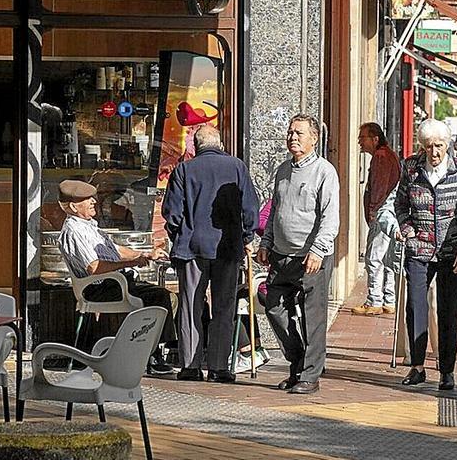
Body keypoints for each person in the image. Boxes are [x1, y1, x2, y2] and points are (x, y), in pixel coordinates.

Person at [162, 125, 259, 383]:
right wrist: (247, 237)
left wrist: (178, 235)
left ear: (196, 145)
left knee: (190, 305)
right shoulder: (237, 167)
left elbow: (172, 212)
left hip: (192, 247)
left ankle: (191, 366)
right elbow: (250, 208)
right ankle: (218, 367)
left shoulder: (184, 169)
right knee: (224, 307)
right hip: (227, 247)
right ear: (220, 143)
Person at [57, 179, 177, 376]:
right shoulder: (74, 230)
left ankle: (150, 350)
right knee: (159, 298)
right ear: (72, 206)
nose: (94, 201)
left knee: (168, 297)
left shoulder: (89, 226)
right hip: (99, 287)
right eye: (87, 199)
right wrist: (132, 263)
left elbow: (115, 250)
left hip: (112, 282)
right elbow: (94, 267)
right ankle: (152, 356)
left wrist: (143, 255)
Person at [258, 114, 340, 395]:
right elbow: (275, 212)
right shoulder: (282, 171)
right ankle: (298, 362)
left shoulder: (324, 171)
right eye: (290, 132)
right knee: (274, 306)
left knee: (312, 317)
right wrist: (266, 243)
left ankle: (310, 375)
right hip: (281, 255)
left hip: (311, 258)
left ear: (314, 139)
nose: (293, 137)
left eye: (299, 133)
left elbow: (331, 217)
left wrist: (318, 249)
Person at [395, 118, 457, 391]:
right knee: (416, 307)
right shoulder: (411, 167)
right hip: (419, 248)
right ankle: (417, 366)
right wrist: (407, 230)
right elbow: (401, 205)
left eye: (439, 146)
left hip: (451, 250)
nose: (434, 152)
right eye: (429, 146)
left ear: (448, 144)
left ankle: (447, 370)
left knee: (448, 311)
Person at [352, 122, 402, 316]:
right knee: (388, 258)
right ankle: (389, 300)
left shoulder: (381, 157)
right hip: (389, 213)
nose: (359, 141)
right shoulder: (388, 155)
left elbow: (379, 187)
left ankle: (374, 300)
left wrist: (373, 211)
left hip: (383, 214)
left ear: (375, 138)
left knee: (374, 257)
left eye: (362, 137)